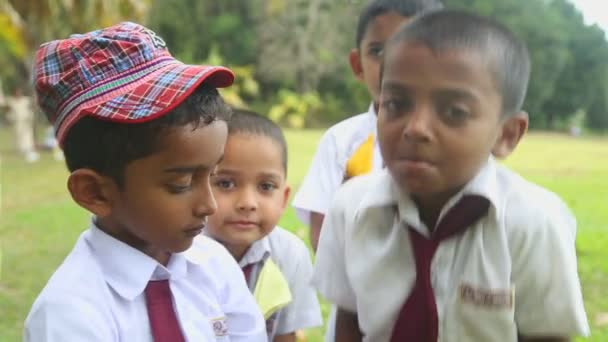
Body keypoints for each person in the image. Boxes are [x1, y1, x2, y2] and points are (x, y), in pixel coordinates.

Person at [312, 10, 589, 341]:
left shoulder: (534, 223)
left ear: (507, 135)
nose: (416, 129)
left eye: (454, 112)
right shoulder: (351, 208)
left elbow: (547, 335)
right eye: (397, 104)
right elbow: (349, 318)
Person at [24, 22, 266, 342]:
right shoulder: (69, 314)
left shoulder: (215, 266)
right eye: (180, 183)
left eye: (215, 176)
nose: (209, 205)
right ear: (94, 192)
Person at [292, 0, 444, 253]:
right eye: (377, 51)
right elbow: (321, 229)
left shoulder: (455, 138)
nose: (393, 62)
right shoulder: (340, 141)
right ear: (357, 64)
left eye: (414, 48)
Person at [199, 109, 323, 342]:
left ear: (284, 198)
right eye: (226, 183)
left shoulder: (290, 255)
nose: (247, 203)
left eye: (265, 187)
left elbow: (286, 335)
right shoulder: (183, 252)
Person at [6, 87, 39, 162]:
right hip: (16, 121)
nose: (18, 94)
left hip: (26, 121)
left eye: (19, 92)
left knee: (27, 135)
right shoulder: (11, 101)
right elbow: (8, 109)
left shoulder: (26, 100)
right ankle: (20, 150)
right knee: (18, 135)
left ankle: (28, 149)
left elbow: (32, 106)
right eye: (16, 93)